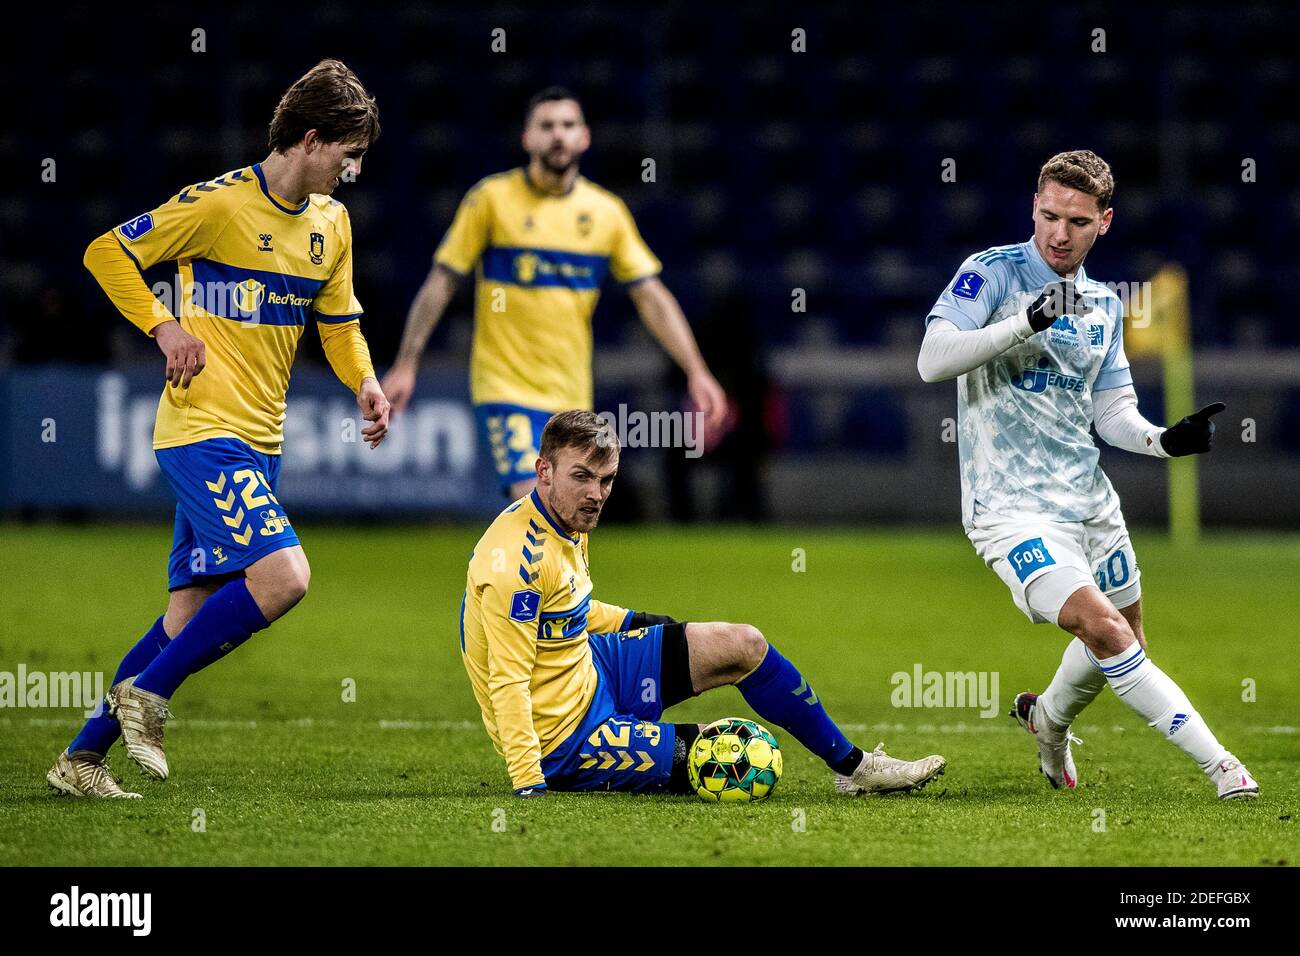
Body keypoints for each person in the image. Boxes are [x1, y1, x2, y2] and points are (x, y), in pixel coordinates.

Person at [49, 59, 389, 798]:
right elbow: (105, 251)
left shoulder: (332, 224)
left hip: (260, 443)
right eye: (347, 153)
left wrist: (363, 380)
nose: (353, 169)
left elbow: (339, 324)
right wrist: (164, 326)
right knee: (284, 575)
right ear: (309, 138)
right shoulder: (219, 205)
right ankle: (148, 698)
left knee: (185, 616)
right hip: (201, 430)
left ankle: (79, 760)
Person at [917, 149, 1257, 800]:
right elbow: (932, 360)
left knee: (1124, 637)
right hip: (1008, 508)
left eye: (1076, 221)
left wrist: (1165, 441)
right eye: (1048, 215)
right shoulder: (989, 275)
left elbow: (1112, 414)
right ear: (1034, 208)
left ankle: (1047, 718)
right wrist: (1026, 322)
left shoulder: (1103, 306)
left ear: (1104, 222)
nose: (1058, 233)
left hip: (1089, 504)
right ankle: (1224, 769)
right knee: (1103, 630)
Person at [460, 409, 947, 797]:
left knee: (743, 643)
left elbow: (567, 609)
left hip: (591, 667)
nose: (596, 495)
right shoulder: (515, 566)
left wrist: (636, 621)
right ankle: (631, 740)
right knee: (735, 760)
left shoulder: (566, 519)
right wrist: (529, 785)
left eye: (606, 480)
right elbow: (508, 682)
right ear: (543, 471)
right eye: (582, 477)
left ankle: (856, 767)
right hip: (562, 741)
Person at [382, 86, 727, 499]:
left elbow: (651, 296)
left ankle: (515, 567)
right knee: (536, 499)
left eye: (567, 125)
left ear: (584, 137)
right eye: (547, 126)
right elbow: (442, 282)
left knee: (568, 518)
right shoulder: (491, 200)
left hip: (570, 396)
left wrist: (696, 369)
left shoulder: (606, 213)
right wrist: (406, 362)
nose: (557, 135)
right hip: (506, 385)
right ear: (528, 137)